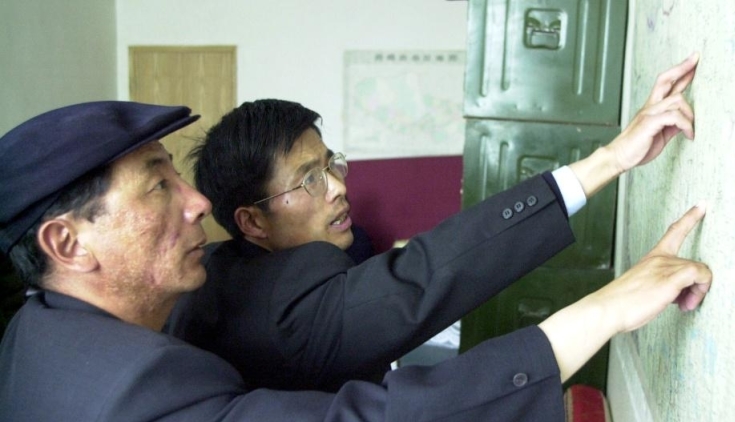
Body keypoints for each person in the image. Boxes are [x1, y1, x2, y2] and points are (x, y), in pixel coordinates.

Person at [0, 99, 710, 422]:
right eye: (159, 187)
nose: (195, 204)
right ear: (67, 243)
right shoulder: (128, 406)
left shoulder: (42, 335)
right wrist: (608, 306)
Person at [166, 54, 701, 395]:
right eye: (309, 180)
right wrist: (612, 158)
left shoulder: (225, 269)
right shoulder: (279, 312)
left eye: (331, 165)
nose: (337, 186)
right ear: (252, 222)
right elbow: (421, 277)